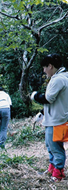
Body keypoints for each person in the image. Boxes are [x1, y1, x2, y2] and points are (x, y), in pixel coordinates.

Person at [30, 53, 68, 182]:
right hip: (54, 118)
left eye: (44, 68)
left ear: (50, 66)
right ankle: (52, 168)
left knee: (56, 147)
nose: (44, 71)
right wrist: (43, 112)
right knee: (50, 145)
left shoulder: (58, 79)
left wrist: (35, 96)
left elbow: (48, 98)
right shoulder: (62, 77)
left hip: (57, 120)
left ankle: (58, 173)